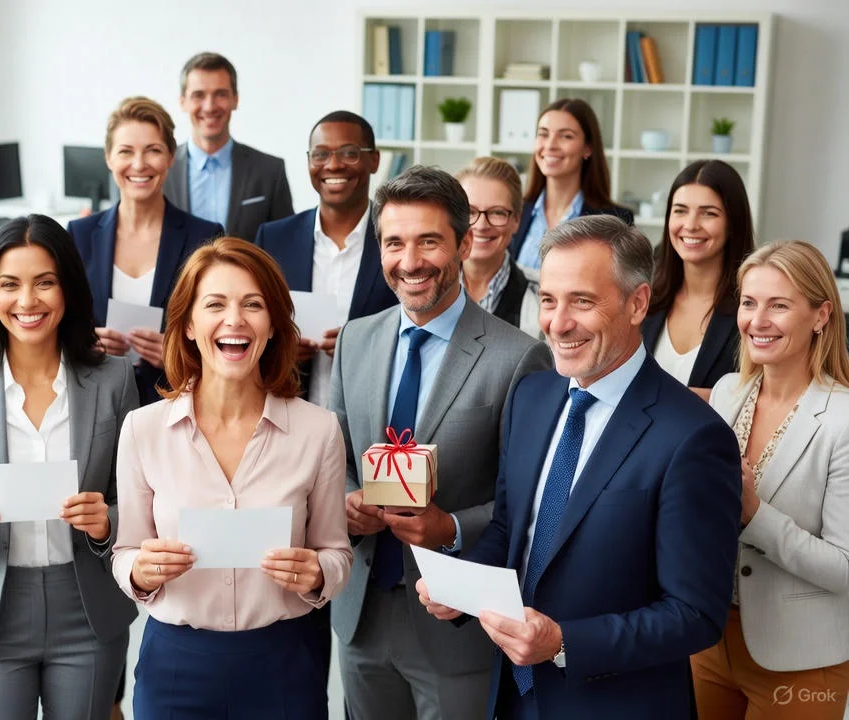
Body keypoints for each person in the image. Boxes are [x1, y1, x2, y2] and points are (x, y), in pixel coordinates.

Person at [418, 214, 742, 719]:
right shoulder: (531, 396)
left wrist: (565, 641)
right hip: (513, 698)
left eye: (582, 301)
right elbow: (511, 531)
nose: (557, 322)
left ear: (637, 303)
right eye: (548, 299)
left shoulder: (695, 438)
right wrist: (459, 589)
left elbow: (695, 615)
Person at [329, 165, 552, 718]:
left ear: (464, 242)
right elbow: (333, 459)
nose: (410, 262)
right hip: (361, 611)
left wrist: (449, 527)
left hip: (456, 617)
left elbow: (532, 501)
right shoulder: (356, 339)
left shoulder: (519, 356)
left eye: (428, 241)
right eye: (394, 242)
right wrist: (347, 501)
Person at [111, 237, 352, 716]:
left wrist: (318, 573)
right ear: (187, 327)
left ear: (273, 326)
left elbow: (337, 552)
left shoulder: (319, 430)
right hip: (177, 666)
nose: (235, 320)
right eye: (215, 304)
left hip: (286, 663)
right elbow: (124, 553)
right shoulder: (143, 429)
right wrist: (139, 571)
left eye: (253, 305)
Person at [0, 215, 139, 719]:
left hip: (86, 607)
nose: (27, 301)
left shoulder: (114, 380)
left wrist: (109, 519)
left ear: (68, 289)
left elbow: (136, 496)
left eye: (44, 282)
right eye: (9, 285)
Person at [692, 240, 849, 719]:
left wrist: (754, 515)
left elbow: (845, 565)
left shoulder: (842, 419)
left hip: (801, 660)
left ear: (821, 315)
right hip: (708, 642)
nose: (757, 321)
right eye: (748, 303)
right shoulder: (726, 393)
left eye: (778, 305)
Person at [69, 96, 222, 406]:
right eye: (126, 151)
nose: (139, 165)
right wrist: (85, 344)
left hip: (176, 403)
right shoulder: (79, 234)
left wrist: (181, 350)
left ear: (170, 158)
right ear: (109, 158)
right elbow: (61, 324)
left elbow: (222, 329)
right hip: (97, 406)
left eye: (153, 150)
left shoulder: (204, 237)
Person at [255, 110, 397, 408]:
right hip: (286, 416)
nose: (333, 164)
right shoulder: (274, 239)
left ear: (374, 160)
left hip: (374, 418)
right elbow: (251, 322)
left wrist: (361, 343)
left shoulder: (397, 241)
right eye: (320, 154)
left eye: (349, 153)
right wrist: (278, 347)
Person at [643, 160, 755, 400]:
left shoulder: (752, 308)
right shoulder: (644, 296)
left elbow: (763, 397)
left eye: (708, 213)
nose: (691, 225)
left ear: (733, 223)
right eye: (680, 211)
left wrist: (667, 396)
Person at [164, 52, 293, 241]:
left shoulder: (270, 172)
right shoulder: (161, 170)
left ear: (235, 99)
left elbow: (286, 243)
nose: (209, 106)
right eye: (198, 95)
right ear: (182, 102)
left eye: (220, 94)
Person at [507, 98, 633, 272]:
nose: (550, 145)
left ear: (587, 148)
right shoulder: (514, 212)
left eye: (566, 136)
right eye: (543, 134)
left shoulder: (616, 221)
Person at [457, 156, 540, 337]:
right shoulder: (426, 286)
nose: (481, 225)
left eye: (497, 212)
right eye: (470, 212)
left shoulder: (543, 298)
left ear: (516, 220)